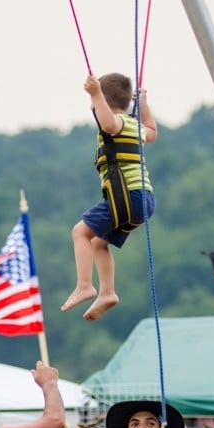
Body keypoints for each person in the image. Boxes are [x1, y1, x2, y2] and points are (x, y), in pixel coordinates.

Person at [61, 72, 157, 321]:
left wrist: (95, 94)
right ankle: (107, 293)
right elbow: (153, 131)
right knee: (98, 242)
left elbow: (107, 124)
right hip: (143, 200)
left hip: (128, 198)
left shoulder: (119, 124)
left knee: (80, 232)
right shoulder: (135, 126)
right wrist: (143, 102)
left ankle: (85, 285)